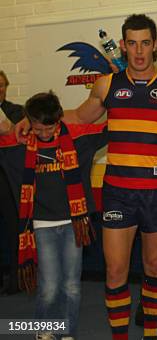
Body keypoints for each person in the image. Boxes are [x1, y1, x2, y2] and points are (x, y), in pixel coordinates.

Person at [16, 14, 157, 340]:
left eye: (145, 43)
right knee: (115, 272)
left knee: (154, 269)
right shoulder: (107, 85)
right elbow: (80, 116)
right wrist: (34, 119)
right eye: (132, 44)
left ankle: (149, 334)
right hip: (118, 193)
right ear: (123, 46)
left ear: (156, 45)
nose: (139, 51)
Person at [0, 91, 105, 340]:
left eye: (50, 127)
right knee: (48, 287)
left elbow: (113, 124)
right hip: (41, 226)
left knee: (71, 286)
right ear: (30, 123)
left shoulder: (79, 141)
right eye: (38, 128)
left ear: (59, 120)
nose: (45, 133)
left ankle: (66, 331)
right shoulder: (17, 146)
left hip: (73, 224)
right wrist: (18, 125)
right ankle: (45, 330)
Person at [0, 70, 24, 295]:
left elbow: (10, 132)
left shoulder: (17, 111)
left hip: (8, 180)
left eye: (1, 85)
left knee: (15, 229)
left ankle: (18, 279)